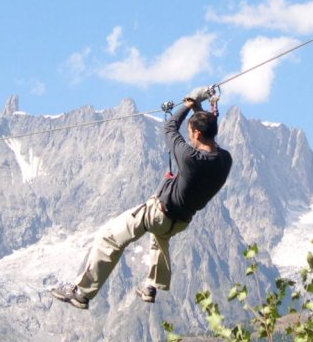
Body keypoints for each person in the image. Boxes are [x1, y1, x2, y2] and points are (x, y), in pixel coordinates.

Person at [51, 87, 233, 309]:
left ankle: (82, 293)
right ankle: (151, 286)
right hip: (180, 222)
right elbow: (207, 132)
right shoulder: (225, 159)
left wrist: (188, 104)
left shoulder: (189, 157)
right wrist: (198, 109)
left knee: (109, 238)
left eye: (191, 131)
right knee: (160, 237)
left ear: (195, 133)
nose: (189, 135)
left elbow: (169, 127)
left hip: (158, 214)